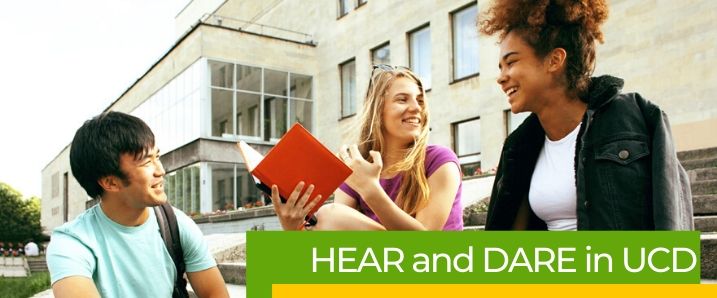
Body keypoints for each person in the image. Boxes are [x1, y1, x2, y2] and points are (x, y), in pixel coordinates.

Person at [479, 0, 693, 230]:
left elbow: (672, 218)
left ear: (554, 60)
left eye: (510, 62)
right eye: (500, 67)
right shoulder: (519, 145)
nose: (501, 77)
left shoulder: (637, 116)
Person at [47, 112, 228, 297]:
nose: (161, 170)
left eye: (157, 156)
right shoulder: (73, 243)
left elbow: (215, 294)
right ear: (110, 183)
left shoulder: (175, 224)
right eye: (146, 162)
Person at [271, 66, 464, 231]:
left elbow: (426, 248)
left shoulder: (441, 161)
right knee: (325, 220)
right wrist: (292, 227)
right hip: (383, 266)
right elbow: (335, 238)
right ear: (378, 111)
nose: (416, 108)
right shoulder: (358, 169)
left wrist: (371, 190)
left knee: (329, 216)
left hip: (438, 267)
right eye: (402, 99)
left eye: (420, 101)